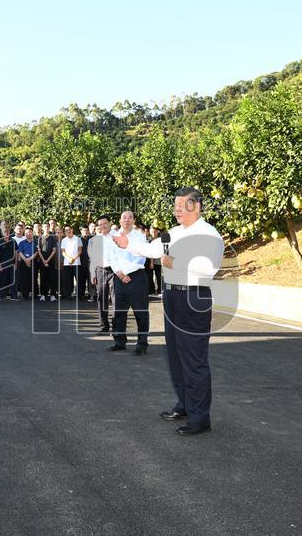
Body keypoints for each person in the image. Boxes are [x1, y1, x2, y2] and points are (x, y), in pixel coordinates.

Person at [113, 187, 224, 436]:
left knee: (194, 357)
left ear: (195, 207)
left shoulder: (209, 234)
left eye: (180, 206)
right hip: (172, 294)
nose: (176, 210)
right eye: (175, 205)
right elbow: (154, 250)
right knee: (175, 354)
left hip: (194, 297)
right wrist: (127, 244)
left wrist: (173, 262)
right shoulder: (173, 233)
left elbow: (209, 269)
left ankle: (200, 417)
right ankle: (185, 404)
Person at [107, 210, 150, 355]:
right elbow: (111, 257)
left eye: (130, 217)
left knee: (141, 312)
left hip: (137, 277)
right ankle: (119, 341)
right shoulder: (113, 237)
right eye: (124, 217)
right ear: (120, 220)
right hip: (119, 278)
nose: (127, 220)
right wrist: (120, 273)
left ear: (134, 220)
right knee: (118, 312)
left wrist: (127, 273)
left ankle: (142, 344)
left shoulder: (140, 236)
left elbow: (142, 257)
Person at [89, 215, 115, 332]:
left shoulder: (117, 236)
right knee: (101, 298)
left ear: (110, 223)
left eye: (105, 224)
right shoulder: (96, 240)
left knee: (115, 299)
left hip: (114, 271)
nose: (102, 226)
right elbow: (93, 258)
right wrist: (92, 274)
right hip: (100, 270)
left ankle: (117, 327)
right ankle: (104, 326)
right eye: (100, 225)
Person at [36, 223, 58, 302]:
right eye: (45, 227)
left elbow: (54, 250)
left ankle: (53, 295)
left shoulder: (52, 238)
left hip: (51, 261)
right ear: (42, 228)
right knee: (43, 278)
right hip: (42, 262)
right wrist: (44, 260)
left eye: (48, 227)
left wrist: (47, 260)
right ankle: (43, 295)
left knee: (52, 278)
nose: (46, 228)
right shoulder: (40, 238)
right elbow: (39, 251)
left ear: (49, 228)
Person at [59, 225, 81, 300]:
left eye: (69, 229)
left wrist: (74, 259)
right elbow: (63, 251)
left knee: (78, 279)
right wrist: (69, 258)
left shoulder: (77, 238)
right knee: (68, 280)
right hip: (67, 262)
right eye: (66, 230)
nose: (68, 231)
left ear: (72, 229)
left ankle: (79, 295)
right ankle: (69, 295)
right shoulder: (64, 240)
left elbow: (80, 250)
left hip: (76, 262)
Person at [16, 227, 36, 300]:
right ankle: (25, 295)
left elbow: (36, 252)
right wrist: (26, 260)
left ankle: (33, 294)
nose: (28, 233)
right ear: (25, 233)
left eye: (30, 232)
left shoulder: (36, 242)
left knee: (33, 278)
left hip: (33, 261)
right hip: (23, 262)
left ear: (32, 233)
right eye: (26, 232)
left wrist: (29, 259)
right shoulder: (21, 243)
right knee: (24, 278)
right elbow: (20, 252)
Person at [78, 225, 93, 302]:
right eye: (84, 231)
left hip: (90, 263)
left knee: (90, 280)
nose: (86, 232)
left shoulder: (92, 239)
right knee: (81, 280)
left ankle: (91, 295)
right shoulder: (78, 239)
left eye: (87, 230)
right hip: (80, 263)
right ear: (81, 231)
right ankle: (80, 295)